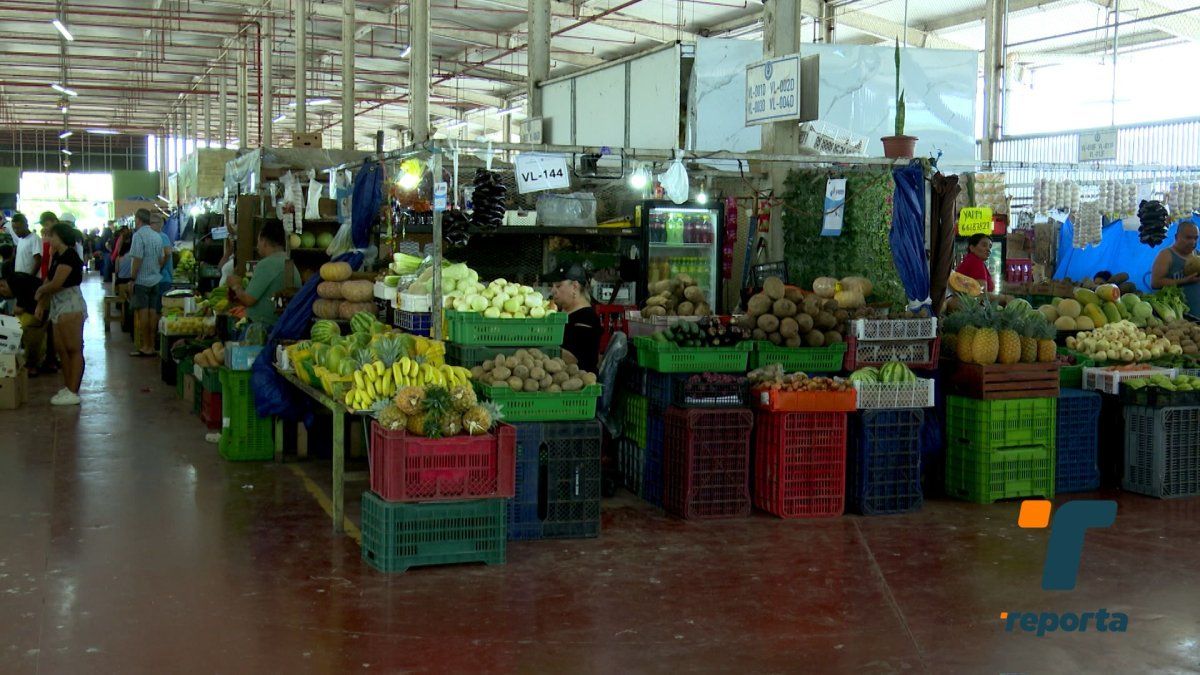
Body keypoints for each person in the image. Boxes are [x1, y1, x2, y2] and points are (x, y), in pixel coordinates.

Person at [33, 223, 86, 405]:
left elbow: (56, 283)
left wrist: (41, 290)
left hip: (70, 304)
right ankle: (68, 386)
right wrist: (41, 303)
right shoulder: (56, 256)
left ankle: (73, 390)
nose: (48, 239)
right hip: (57, 304)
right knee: (61, 348)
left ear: (61, 237)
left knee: (73, 348)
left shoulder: (70, 256)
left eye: (52, 236)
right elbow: (49, 279)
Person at [225, 220, 299, 331]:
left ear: (264, 241)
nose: (258, 245)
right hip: (285, 326)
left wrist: (236, 286)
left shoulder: (267, 264)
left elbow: (248, 300)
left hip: (265, 329)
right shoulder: (288, 263)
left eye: (258, 240)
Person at [545, 263, 603, 373]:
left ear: (575, 287)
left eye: (558, 286)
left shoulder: (586, 318)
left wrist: (541, 350)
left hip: (578, 381)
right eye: (552, 286)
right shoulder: (560, 312)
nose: (553, 291)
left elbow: (575, 358)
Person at [128, 208, 167, 357]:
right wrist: (155, 269)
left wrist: (132, 278)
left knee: (143, 312)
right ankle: (152, 345)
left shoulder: (138, 236)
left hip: (142, 281)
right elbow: (162, 258)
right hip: (155, 280)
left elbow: (137, 259)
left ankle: (146, 346)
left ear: (138, 219)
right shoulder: (157, 236)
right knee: (153, 312)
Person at [0, 265, 46, 377]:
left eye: (5, 294)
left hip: (40, 306)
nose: (7, 296)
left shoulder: (16, 282)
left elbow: (20, 308)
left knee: (25, 330)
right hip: (39, 306)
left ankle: (31, 365)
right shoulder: (16, 279)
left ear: (2, 285)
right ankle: (32, 362)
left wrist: (16, 310)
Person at [1151, 220, 1200, 317]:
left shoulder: (1198, 254)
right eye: (1188, 238)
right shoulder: (1166, 255)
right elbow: (1155, 283)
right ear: (1176, 237)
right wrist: (1185, 280)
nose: (1193, 242)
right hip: (1177, 316)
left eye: (1196, 238)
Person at [154, 216, 175, 300]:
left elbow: (168, 254)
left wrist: (159, 268)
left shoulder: (162, 237)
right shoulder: (157, 236)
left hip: (163, 278)